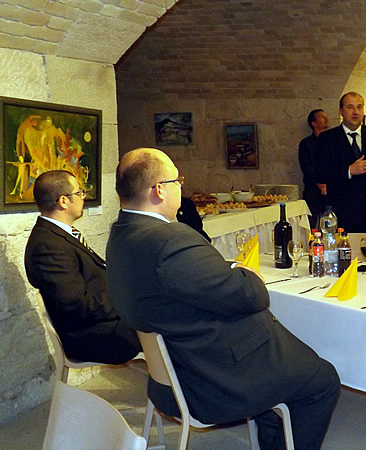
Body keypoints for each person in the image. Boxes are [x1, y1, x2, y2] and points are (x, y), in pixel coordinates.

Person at [106, 148, 340, 449]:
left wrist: (228, 271)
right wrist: (246, 274)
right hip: (208, 380)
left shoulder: (121, 232)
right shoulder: (169, 239)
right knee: (323, 379)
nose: (181, 187)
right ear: (159, 190)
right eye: (177, 181)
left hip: (169, 372)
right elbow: (252, 295)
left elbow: (193, 282)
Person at [24, 170, 141, 364]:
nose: (83, 197)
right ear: (63, 201)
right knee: (159, 323)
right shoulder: (47, 245)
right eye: (79, 193)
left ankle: (167, 376)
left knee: (159, 313)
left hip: (101, 320)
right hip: (89, 335)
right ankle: (168, 379)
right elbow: (76, 304)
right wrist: (125, 302)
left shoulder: (58, 235)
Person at [317, 92, 366, 233]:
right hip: (342, 214)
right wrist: (349, 170)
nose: (355, 112)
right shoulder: (327, 138)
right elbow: (320, 173)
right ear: (341, 111)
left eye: (359, 107)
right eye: (350, 107)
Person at [299, 109, 329, 229]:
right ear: (314, 123)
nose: (326, 119)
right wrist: (320, 183)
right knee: (311, 225)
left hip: (330, 189)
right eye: (322, 117)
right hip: (313, 190)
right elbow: (307, 167)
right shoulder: (306, 144)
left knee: (330, 223)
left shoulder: (331, 142)